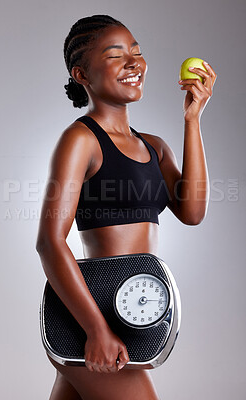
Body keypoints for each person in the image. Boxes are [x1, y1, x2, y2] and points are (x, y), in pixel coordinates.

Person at [36, 14, 217, 400]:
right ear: (81, 74)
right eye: (116, 55)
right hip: (90, 312)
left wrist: (193, 119)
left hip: (134, 307)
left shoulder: (154, 146)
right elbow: (49, 242)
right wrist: (96, 330)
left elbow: (193, 211)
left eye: (137, 52)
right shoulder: (80, 140)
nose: (134, 62)